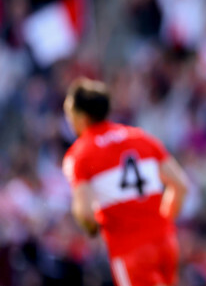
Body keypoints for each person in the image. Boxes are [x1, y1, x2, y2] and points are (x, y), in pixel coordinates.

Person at [62, 77, 189, 286]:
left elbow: (84, 212)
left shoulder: (79, 154)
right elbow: (180, 185)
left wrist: (92, 228)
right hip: (166, 242)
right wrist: (162, 222)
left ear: (81, 116)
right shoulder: (142, 138)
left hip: (130, 249)